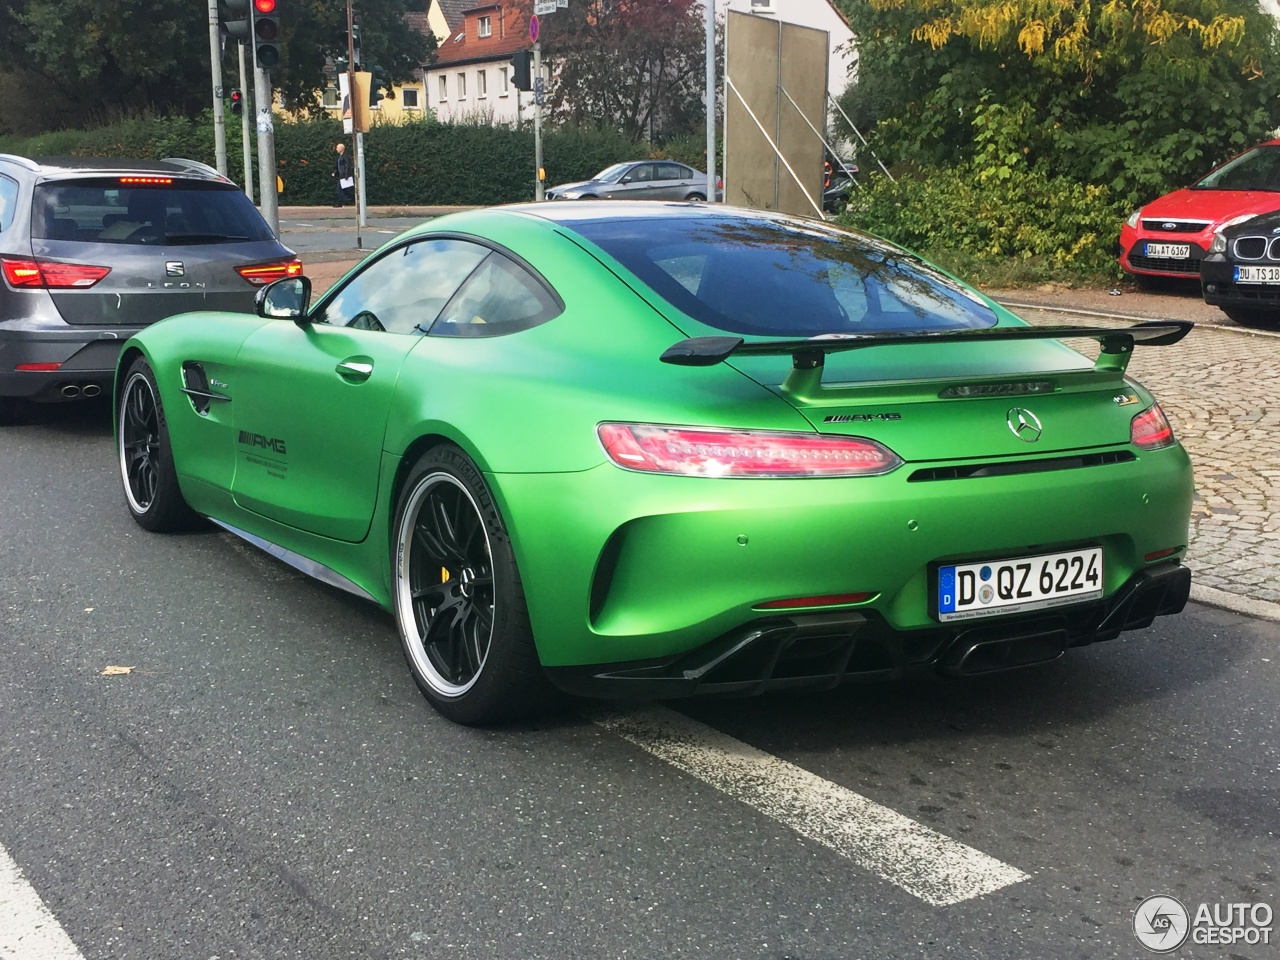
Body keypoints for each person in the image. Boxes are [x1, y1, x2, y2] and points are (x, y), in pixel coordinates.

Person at [333, 142, 353, 207]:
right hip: (342, 175)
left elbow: (348, 166)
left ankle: (339, 203)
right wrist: (336, 173)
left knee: (339, 189)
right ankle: (352, 200)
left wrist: (346, 175)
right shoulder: (340, 157)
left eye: (337, 148)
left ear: (341, 149)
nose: (336, 149)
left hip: (344, 176)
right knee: (346, 190)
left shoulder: (345, 156)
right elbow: (339, 166)